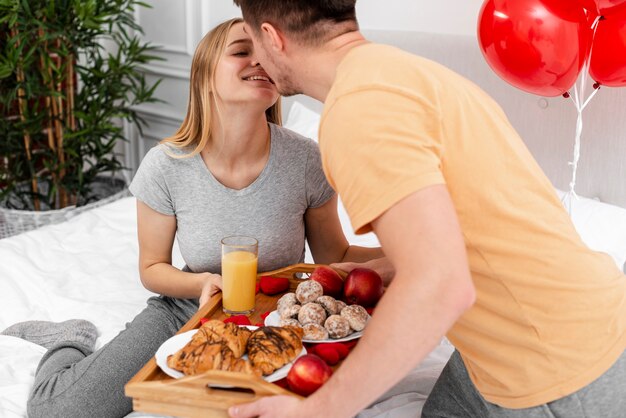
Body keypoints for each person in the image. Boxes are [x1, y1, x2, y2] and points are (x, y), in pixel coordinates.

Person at [229, 2, 626, 418]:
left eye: (253, 40)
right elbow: (466, 226)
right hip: (567, 325)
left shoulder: (358, 111)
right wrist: (383, 270)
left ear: (273, 37)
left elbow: (440, 285)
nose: (256, 56)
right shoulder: (408, 73)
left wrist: (322, 410)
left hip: (560, 367)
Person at [0, 17, 383, 418]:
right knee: (59, 410)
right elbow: (152, 267)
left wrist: (409, 256)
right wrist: (201, 282)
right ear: (204, 76)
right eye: (241, 51)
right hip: (187, 310)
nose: (261, 62)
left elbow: (333, 255)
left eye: (268, 53)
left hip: (278, 315)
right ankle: (70, 337)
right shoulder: (166, 166)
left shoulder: (307, 160)